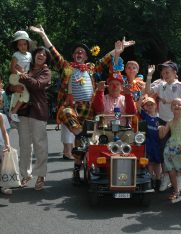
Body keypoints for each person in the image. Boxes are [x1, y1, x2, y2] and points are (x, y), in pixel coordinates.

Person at [30, 25, 135, 185]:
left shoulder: (92, 68)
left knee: (83, 144)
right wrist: (43, 35)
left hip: (89, 108)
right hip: (72, 105)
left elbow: (105, 60)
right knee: (65, 112)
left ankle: (78, 170)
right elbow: (53, 51)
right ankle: (79, 133)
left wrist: (118, 50)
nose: (79, 53)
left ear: (86, 56)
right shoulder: (66, 67)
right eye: (76, 52)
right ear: (73, 55)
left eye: (82, 52)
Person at [13, 46, 52, 190]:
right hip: (23, 111)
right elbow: (12, 82)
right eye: (38, 53)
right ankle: (25, 174)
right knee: (24, 145)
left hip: (38, 111)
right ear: (34, 56)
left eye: (44, 54)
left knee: (40, 145)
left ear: (46, 59)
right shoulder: (25, 67)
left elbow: (37, 85)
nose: (40, 55)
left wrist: (25, 76)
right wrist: (13, 88)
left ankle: (41, 175)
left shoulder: (46, 72)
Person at [146, 61, 181, 192]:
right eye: (163, 72)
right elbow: (147, 91)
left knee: (177, 152)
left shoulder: (180, 85)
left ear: (175, 73)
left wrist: (168, 101)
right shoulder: (160, 85)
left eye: (167, 71)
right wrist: (149, 76)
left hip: (177, 123)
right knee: (165, 151)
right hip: (163, 122)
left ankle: (179, 178)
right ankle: (166, 176)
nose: (165, 74)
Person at [159, 98, 181, 202]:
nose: (176, 106)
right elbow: (162, 136)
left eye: (179, 104)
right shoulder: (169, 122)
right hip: (170, 148)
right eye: (174, 104)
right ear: (171, 108)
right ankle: (176, 191)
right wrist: (161, 129)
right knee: (172, 172)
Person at [136, 93, 162, 191]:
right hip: (148, 142)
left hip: (157, 142)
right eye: (147, 105)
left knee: (158, 163)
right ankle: (151, 179)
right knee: (150, 162)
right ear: (145, 107)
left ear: (156, 105)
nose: (150, 106)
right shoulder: (145, 116)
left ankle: (158, 180)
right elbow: (138, 106)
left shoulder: (160, 117)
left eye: (152, 104)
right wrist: (142, 98)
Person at [9, 31, 32, 123]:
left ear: (28, 44)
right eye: (20, 44)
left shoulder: (30, 55)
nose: (23, 46)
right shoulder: (16, 55)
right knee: (26, 95)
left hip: (23, 78)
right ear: (17, 46)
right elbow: (12, 68)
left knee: (18, 95)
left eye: (24, 44)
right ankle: (14, 112)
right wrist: (20, 74)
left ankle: (11, 113)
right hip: (16, 77)